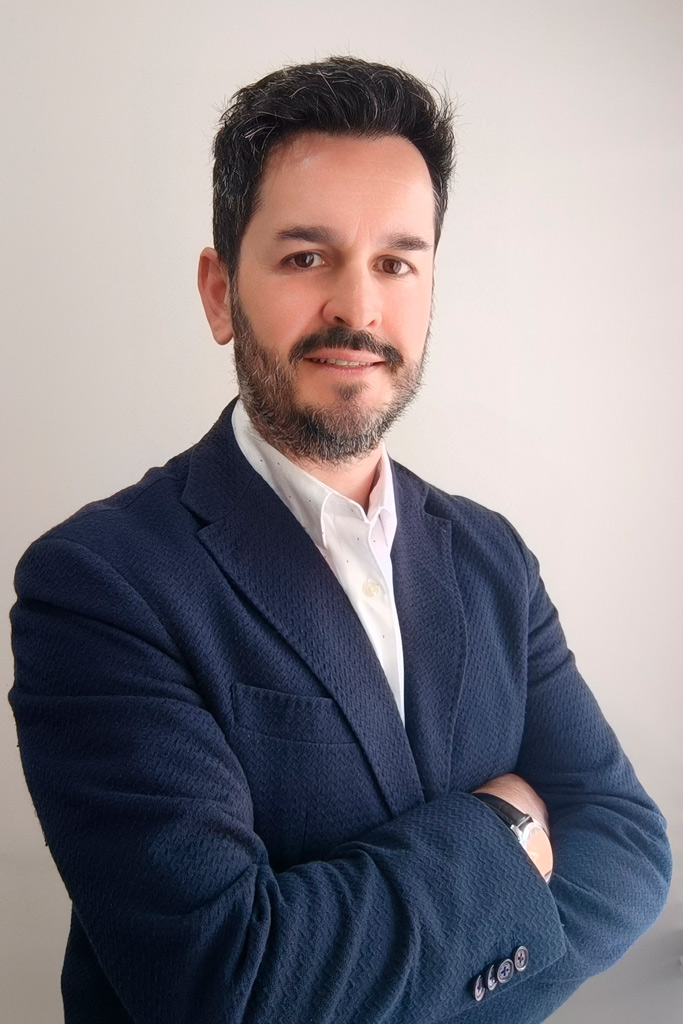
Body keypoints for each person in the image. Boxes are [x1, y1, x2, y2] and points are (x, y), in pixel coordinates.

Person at [9, 57, 671, 1024]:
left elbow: (629, 850)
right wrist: (503, 826)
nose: (357, 310)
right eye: (305, 257)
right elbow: (224, 986)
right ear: (219, 292)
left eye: (396, 262)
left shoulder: (493, 558)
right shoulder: (99, 583)